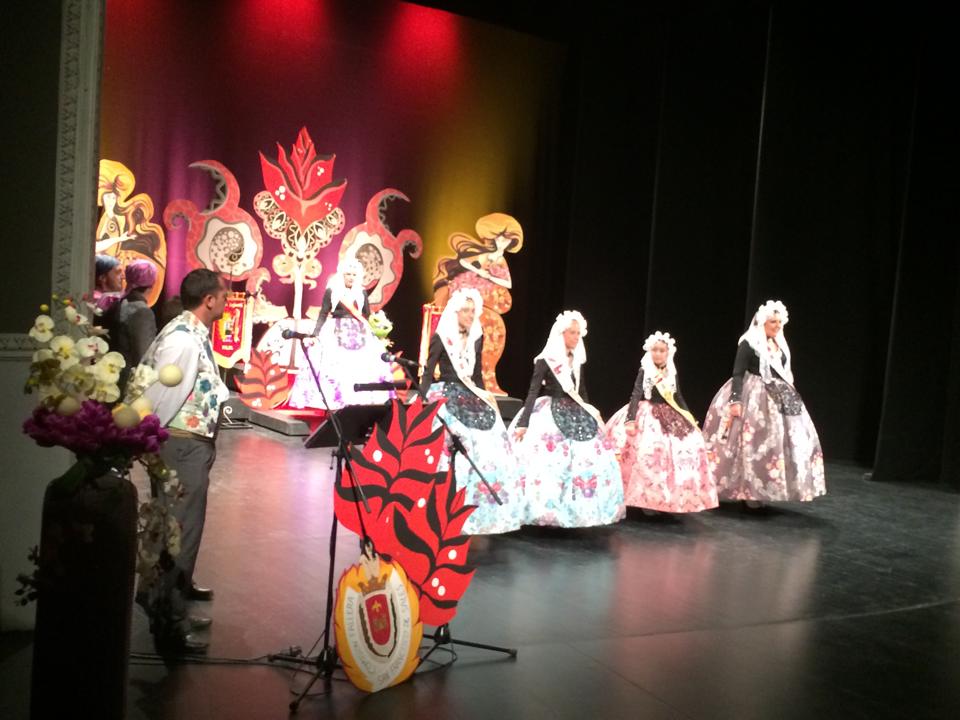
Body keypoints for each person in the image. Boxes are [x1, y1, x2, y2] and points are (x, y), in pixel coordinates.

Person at [132, 269, 229, 653]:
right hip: (181, 446)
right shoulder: (183, 340)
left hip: (185, 445)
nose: (226, 302)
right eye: (223, 296)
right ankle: (170, 622)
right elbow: (161, 394)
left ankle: (165, 602)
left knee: (172, 529)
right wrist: (150, 439)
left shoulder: (189, 333)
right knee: (179, 534)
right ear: (209, 300)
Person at [418, 289, 524, 534]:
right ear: (456, 312)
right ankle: (442, 506)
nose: (469, 315)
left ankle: (480, 508)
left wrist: (484, 396)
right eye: (465, 310)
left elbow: (476, 375)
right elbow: (428, 371)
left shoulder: (477, 336)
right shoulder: (441, 337)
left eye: (472, 311)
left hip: (470, 393)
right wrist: (421, 401)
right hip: (446, 391)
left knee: (490, 442)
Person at [701, 300, 826, 507]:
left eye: (779, 322)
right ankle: (748, 492)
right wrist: (735, 400)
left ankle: (766, 490)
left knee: (778, 443)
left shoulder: (780, 343)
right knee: (750, 442)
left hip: (779, 394)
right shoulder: (749, 342)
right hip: (754, 395)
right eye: (773, 322)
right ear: (762, 322)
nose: (777, 326)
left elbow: (784, 371)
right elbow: (738, 373)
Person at [509, 311, 625, 528]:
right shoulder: (546, 360)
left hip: (575, 411)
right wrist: (524, 422)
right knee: (549, 463)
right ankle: (546, 512)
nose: (576, 337)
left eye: (578, 333)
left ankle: (578, 512)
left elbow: (581, 391)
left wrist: (590, 413)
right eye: (572, 332)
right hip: (548, 411)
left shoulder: (577, 360)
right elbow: (533, 391)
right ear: (561, 333)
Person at [606, 332, 718, 514]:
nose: (658, 354)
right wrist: (630, 418)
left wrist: (690, 418)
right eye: (655, 350)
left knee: (678, 452)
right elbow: (636, 394)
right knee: (650, 454)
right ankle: (646, 500)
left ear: (668, 353)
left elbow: (678, 396)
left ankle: (666, 499)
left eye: (661, 351)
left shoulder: (671, 371)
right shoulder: (645, 370)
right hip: (648, 413)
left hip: (669, 414)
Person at [432, 213, 523, 395]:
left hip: (486, 297)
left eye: (507, 240)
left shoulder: (500, 260)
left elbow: (508, 283)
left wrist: (489, 276)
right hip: (471, 289)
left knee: (489, 334)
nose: (502, 243)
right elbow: (464, 262)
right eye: (500, 238)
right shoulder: (484, 256)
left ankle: (483, 379)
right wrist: (480, 272)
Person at [286, 257, 393, 410]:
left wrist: (376, 331)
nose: (351, 277)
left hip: (358, 332)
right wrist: (315, 334)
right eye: (348, 274)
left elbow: (366, 315)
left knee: (361, 365)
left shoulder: (361, 292)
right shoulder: (332, 290)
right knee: (333, 365)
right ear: (342, 274)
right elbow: (323, 313)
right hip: (335, 329)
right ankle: (335, 400)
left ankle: (358, 399)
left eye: (354, 275)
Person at [103, 260, 158, 387]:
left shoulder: (118, 304)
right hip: (130, 383)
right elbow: (143, 356)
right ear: (152, 283)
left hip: (112, 375)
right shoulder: (142, 312)